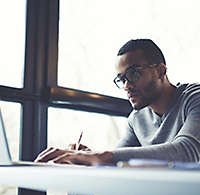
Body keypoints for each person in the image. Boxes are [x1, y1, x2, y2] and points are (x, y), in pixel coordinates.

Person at [35, 39, 200, 166]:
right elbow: (118, 158)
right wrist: (89, 156)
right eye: (121, 79)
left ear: (160, 71)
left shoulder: (194, 98)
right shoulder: (136, 119)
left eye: (133, 74)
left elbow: (188, 152)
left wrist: (102, 156)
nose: (127, 86)